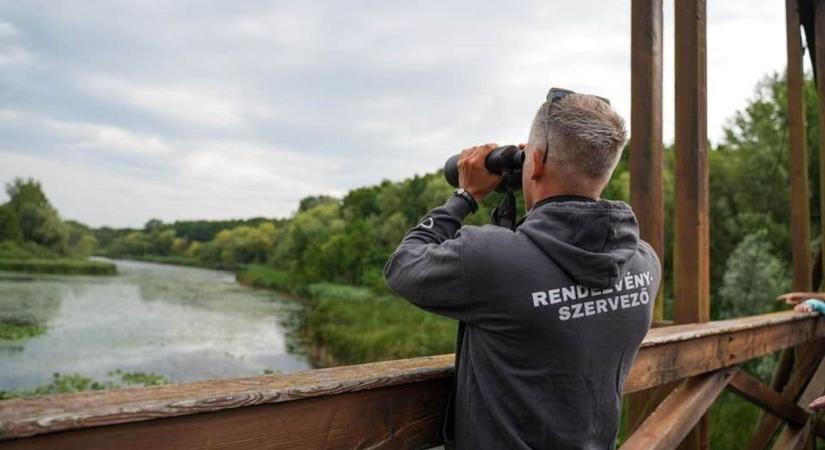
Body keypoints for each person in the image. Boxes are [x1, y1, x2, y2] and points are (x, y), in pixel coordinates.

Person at [383, 88, 661, 450]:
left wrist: (465, 196)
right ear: (605, 168)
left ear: (538, 161)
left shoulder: (489, 259)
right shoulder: (644, 263)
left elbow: (402, 265)